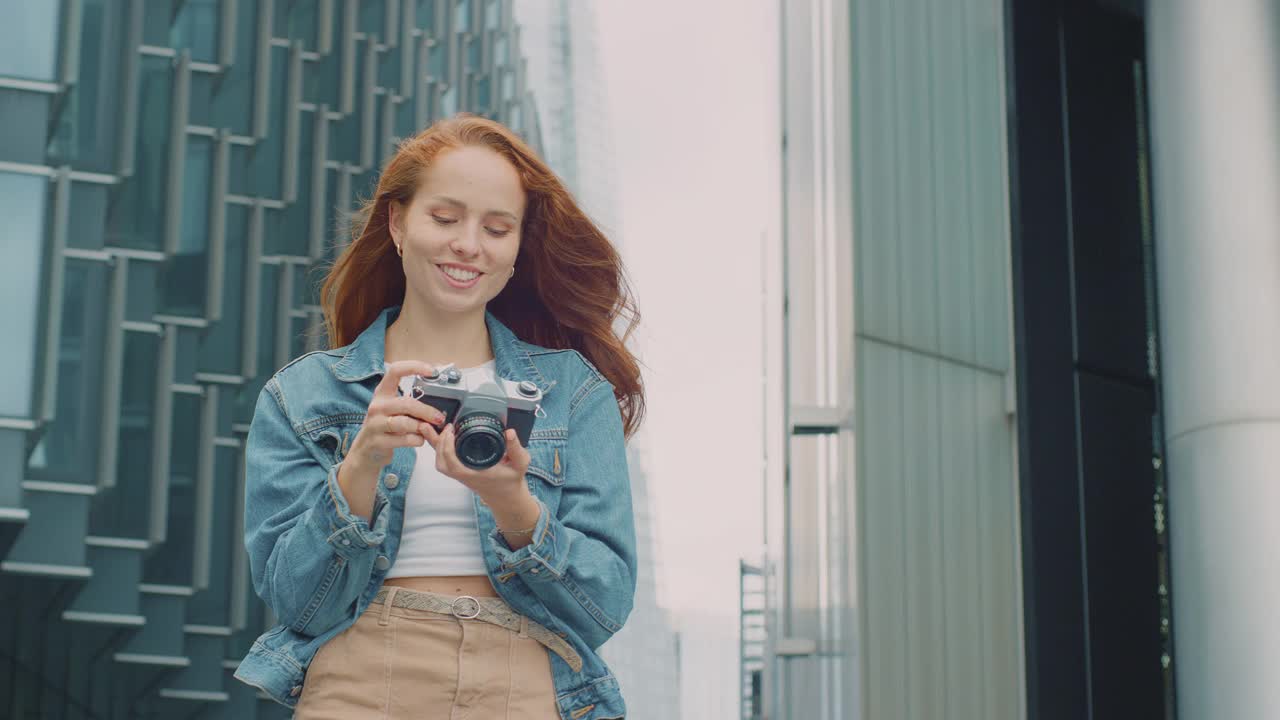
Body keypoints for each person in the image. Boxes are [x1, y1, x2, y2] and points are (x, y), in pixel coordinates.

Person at [233, 114, 644, 720]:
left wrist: (513, 504)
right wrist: (362, 464)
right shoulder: (303, 395)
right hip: (362, 674)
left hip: (526, 678)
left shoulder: (572, 392)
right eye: (445, 219)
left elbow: (603, 604)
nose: (469, 245)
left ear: (516, 250)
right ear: (398, 223)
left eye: (497, 228)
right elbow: (298, 603)